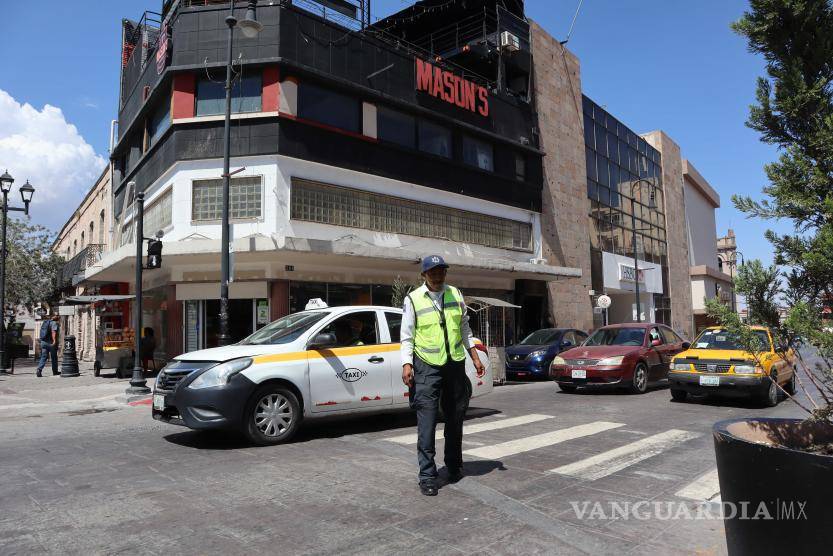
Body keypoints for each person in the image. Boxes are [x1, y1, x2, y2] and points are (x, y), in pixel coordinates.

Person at [400, 255, 486, 496]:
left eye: (441, 271)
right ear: (424, 275)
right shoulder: (413, 299)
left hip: (454, 364)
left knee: (455, 418)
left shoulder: (456, 294)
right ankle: (427, 475)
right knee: (426, 423)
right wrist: (407, 364)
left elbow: (464, 327)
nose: (438, 276)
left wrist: (475, 356)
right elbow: (407, 335)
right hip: (427, 366)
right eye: (433, 272)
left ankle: (453, 465)